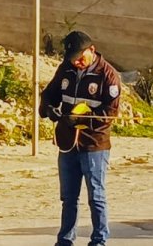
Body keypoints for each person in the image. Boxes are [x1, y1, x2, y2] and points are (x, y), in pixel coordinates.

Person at [39, 31, 122, 246]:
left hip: (94, 145)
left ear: (91, 50)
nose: (76, 62)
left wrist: (78, 120)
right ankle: (65, 240)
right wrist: (49, 109)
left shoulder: (108, 75)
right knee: (68, 198)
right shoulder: (66, 68)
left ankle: (99, 240)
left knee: (96, 197)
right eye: (72, 58)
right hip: (67, 143)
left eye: (80, 57)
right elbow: (49, 95)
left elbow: (109, 114)